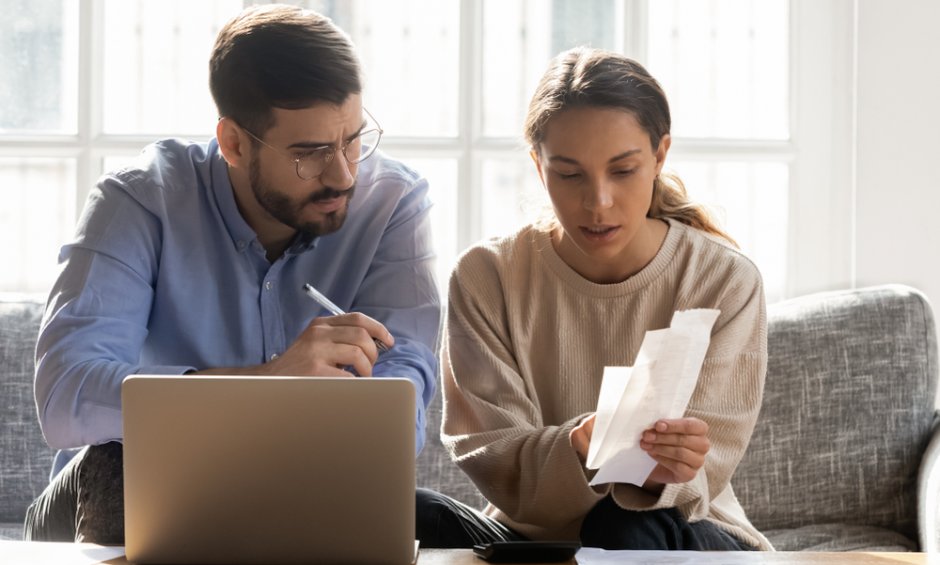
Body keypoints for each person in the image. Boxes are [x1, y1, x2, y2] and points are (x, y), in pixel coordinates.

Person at [25, 4, 441, 544]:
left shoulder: (394, 204)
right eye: (310, 152)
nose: (342, 174)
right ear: (235, 143)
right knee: (118, 470)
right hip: (112, 490)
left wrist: (354, 435)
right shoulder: (138, 201)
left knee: (435, 520)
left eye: (353, 139)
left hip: (299, 482)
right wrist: (269, 385)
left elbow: (404, 380)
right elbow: (66, 394)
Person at [434, 47, 773, 551]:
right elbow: (492, 455)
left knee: (621, 527)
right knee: (411, 512)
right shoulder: (487, 276)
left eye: (623, 170)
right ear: (537, 164)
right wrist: (576, 448)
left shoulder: (723, 280)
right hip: (530, 537)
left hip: (677, 528)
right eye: (569, 175)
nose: (598, 202)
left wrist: (670, 466)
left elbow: (706, 471)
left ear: (659, 155)